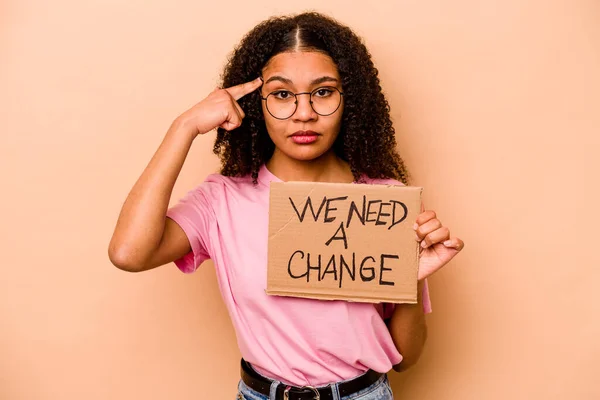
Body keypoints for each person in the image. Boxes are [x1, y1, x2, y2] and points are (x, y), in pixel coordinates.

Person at [108, 11, 464, 400]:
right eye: (281, 94)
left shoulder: (385, 202)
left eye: (323, 92)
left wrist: (408, 279)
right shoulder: (221, 201)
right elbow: (129, 253)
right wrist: (185, 126)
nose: (304, 112)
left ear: (351, 100)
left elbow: (406, 358)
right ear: (256, 103)